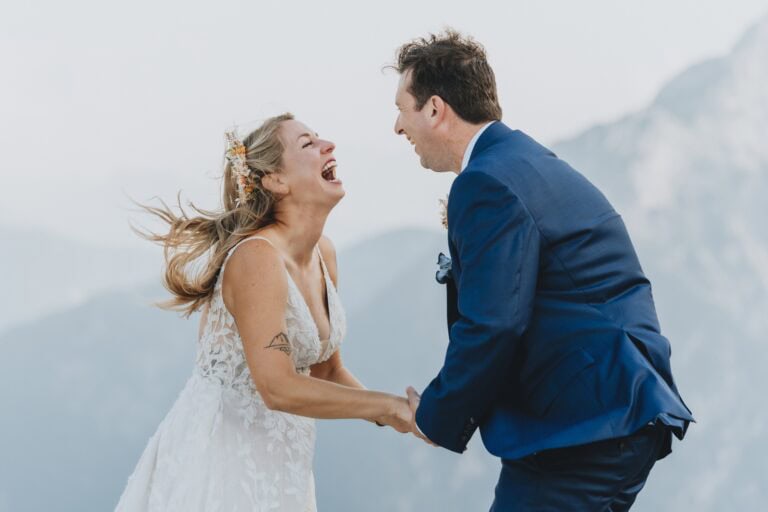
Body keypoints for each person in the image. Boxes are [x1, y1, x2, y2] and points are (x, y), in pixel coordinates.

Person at [392, 30, 694, 511]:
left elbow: (494, 321)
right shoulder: (520, 162)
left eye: (401, 109)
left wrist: (436, 415)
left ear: (434, 108)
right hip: (613, 413)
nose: (397, 127)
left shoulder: (486, 182)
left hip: (583, 430)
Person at [115, 113, 412, 511]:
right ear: (275, 181)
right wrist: (386, 405)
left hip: (283, 467)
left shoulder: (324, 253)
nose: (328, 145)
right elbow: (277, 386)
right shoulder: (256, 258)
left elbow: (326, 370)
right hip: (223, 464)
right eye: (307, 144)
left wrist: (401, 415)